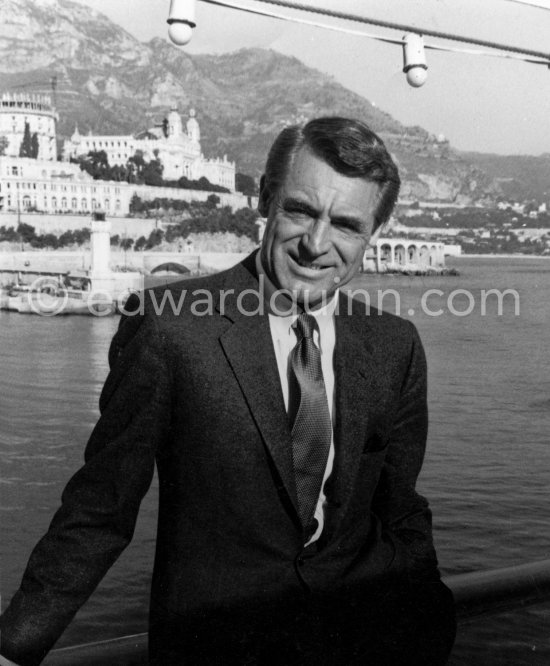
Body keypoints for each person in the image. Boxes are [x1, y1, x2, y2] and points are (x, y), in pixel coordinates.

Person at [0, 117, 456, 665]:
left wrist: (430, 628)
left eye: (346, 225)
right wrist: (14, 647)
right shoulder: (170, 328)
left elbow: (401, 508)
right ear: (265, 199)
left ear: (371, 234)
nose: (317, 244)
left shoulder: (394, 347)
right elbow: (100, 509)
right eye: (301, 210)